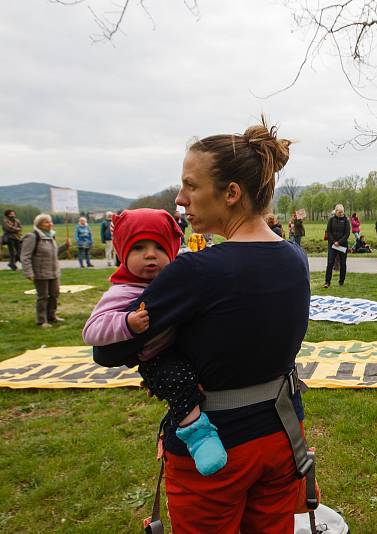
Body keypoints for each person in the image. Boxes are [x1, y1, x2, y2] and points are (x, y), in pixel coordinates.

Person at [92, 118, 313, 532]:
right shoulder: (295, 258)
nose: (180, 199)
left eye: (191, 186)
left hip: (215, 450)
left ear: (231, 193)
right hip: (282, 435)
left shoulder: (197, 271)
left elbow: (106, 351)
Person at [83, 208, 227, 476]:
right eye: (139, 248)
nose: (150, 255)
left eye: (159, 248)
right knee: (176, 380)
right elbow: (92, 330)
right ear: (122, 254)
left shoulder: (174, 280)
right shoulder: (122, 291)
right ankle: (198, 435)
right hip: (156, 358)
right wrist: (126, 324)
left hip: (179, 347)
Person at [20, 213, 70, 327]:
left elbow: (54, 253)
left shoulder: (51, 236)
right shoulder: (32, 237)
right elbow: (25, 256)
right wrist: (28, 272)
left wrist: (64, 246)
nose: (50, 224)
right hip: (40, 273)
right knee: (43, 296)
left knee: (54, 295)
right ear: (39, 224)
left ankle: (52, 316)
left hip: (54, 272)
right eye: (46, 222)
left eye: (50, 221)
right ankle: (42, 320)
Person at [325, 204, 350, 287]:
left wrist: (339, 242)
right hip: (332, 245)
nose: (341, 214)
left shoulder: (346, 221)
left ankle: (341, 281)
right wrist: (333, 242)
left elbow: (347, 234)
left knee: (343, 263)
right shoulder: (331, 220)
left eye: (342, 212)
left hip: (342, 245)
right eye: (339, 212)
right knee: (330, 262)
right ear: (335, 212)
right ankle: (327, 282)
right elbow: (328, 232)